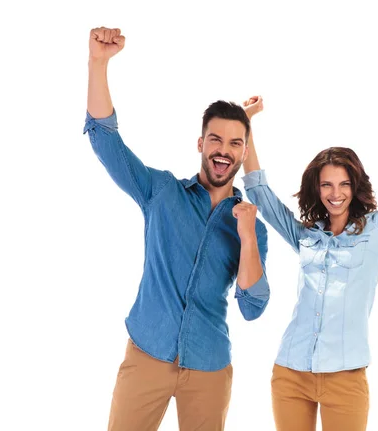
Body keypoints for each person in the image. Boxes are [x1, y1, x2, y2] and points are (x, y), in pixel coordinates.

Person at [83, 27, 270, 431]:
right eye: (215, 140)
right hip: (146, 354)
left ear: (243, 152)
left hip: (208, 366)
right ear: (200, 143)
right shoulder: (162, 192)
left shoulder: (250, 223)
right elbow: (104, 141)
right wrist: (98, 64)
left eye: (235, 143)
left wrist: (249, 235)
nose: (224, 150)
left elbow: (253, 306)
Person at [240, 67, 378, 431]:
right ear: (317, 188)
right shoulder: (307, 234)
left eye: (344, 184)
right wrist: (247, 124)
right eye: (327, 185)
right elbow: (261, 194)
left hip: (345, 376)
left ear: (355, 185)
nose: (335, 193)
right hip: (290, 371)